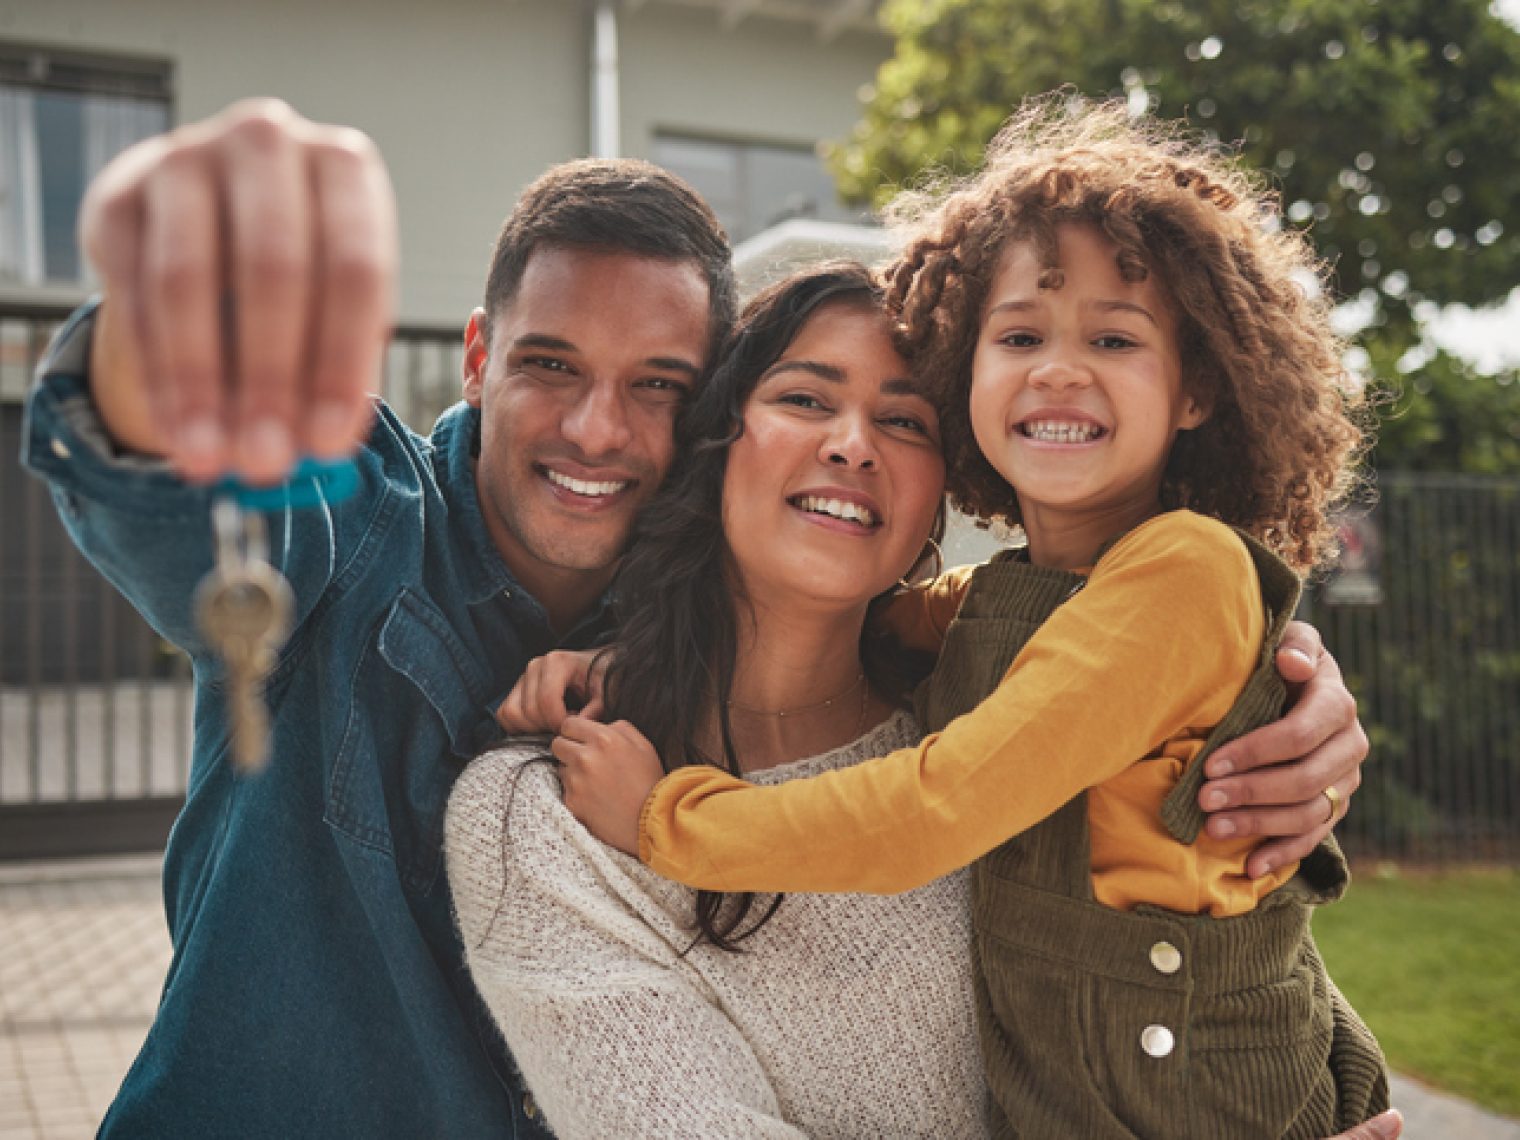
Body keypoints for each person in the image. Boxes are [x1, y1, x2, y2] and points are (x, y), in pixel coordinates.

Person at [21, 98, 1373, 1137]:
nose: (601, 427)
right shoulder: (397, 567)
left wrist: (1278, 696)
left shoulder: (966, 696)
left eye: (899, 418)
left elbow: (1173, 943)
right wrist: (169, 328)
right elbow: (189, 491)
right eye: (551, 367)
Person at [545, 100, 1392, 1137]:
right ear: (965, 376)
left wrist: (662, 821)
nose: (1055, 368)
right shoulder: (1014, 593)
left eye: (1114, 337)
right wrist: (617, 662)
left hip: (1201, 1097)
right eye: (1019, 334)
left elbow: (934, 810)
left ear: (1196, 390)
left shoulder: (1185, 568)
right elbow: (870, 623)